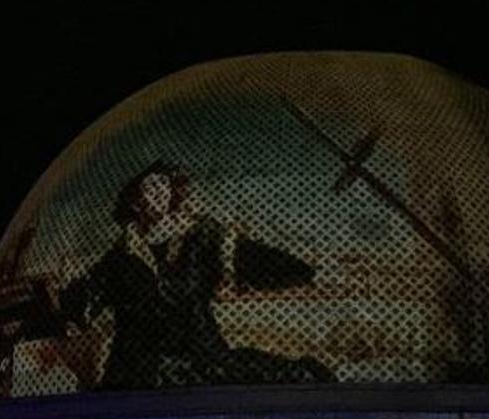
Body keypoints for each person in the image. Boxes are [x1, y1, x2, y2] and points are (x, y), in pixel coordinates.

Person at [45, 161, 335, 390]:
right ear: (135, 201)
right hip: (136, 367)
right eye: (150, 187)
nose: (159, 192)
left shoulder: (201, 237)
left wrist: (307, 273)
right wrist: (60, 300)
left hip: (198, 355)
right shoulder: (120, 257)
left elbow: (252, 258)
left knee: (282, 376)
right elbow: (85, 300)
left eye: (163, 186)